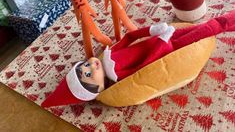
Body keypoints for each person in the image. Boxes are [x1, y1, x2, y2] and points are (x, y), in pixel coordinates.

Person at [42, 9, 235, 108]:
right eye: (89, 75)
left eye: (84, 67)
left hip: (166, 38)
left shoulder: (109, 54)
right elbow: (147, 64)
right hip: (171, 47)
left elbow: (129, 37)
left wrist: (152, 30)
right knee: (212, 27)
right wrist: (162, 41)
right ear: (96, 89)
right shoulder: (117, 74)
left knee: (208, 26)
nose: (91, 66)